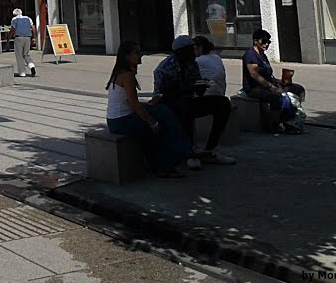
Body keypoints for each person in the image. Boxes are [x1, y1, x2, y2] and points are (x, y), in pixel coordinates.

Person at [106, 41, 191, 178]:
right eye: (137, 53)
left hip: (118, 120)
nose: (141, 56)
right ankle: (174, 157)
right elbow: (134, 104)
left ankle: (163, 161)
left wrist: (149, 106)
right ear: (127, 56)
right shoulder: (127, 75)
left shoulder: (121, 73)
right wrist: (153, 123)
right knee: (163, 116)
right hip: (122, 121)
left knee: (159, 113)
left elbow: (130, 102)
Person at [153, 35, 236, 168]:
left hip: (188, 100)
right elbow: (159, 96)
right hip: (170, 105)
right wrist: (182, 90)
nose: (194, 52)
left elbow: (196, 88)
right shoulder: (164, 68)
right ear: (181, 52)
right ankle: (190, 152)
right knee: (184, 107)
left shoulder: (192, 63)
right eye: (190, 49)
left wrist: (200, 88)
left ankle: (211, 149)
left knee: (223, 103)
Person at [242, 29, 294, 134]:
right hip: (254, 87)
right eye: (263, 41)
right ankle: (275, 125)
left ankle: (290, 120)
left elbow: (268, 74)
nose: (266, 44)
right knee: (275, 97)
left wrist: (280, 82)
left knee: (295, 89)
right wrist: (272, 87)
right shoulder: (250, 55)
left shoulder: (263, 55)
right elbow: (254, 75)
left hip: (267, 83)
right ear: (255, 41)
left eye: (268, 42)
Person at [9, 8, 37, 78]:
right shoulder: (28, 18)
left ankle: (22, 73)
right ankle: (31, 65)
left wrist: (8, 39)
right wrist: (34, 37)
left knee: (19, 56)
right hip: (27, 37)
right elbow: (33, 27)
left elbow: (12, 30)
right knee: (26, 54)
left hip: (18, 38)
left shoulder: (14, 19)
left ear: (14, 14)